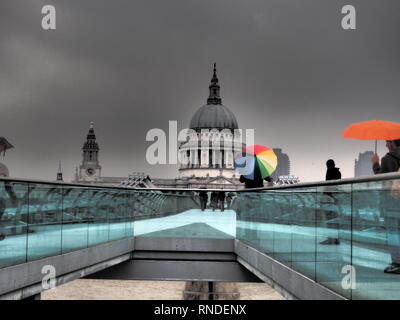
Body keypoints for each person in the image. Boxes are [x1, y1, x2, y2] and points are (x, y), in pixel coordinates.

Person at [372, 139, 400, 274]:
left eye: (388, 142)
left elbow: (381, 178)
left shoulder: (387, 159)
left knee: (393, 233)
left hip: (392, 203)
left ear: (393, 143)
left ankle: (397, 263)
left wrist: (375, 163)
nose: (385, 144)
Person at [320, 159, 342, 245]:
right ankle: (336, 239)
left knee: (329, 220)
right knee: (335, 220)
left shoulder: (329, 171)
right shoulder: (338, 173)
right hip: (335, 198)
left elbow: (328, 184)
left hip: (329, 198)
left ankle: (330, 239)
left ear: (328, 165)